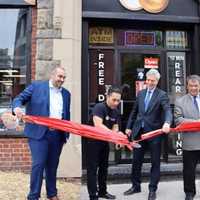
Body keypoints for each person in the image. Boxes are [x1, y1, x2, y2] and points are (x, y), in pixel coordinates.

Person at [12, 67, 71, 200]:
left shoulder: (67, 94)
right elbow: (19, 98)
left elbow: (66, 114)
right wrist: (17, 108)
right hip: (39, 133)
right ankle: (33, 196)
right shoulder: (36, 87)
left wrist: (66, 134)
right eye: (60, 76)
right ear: (52, 75)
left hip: (58, 135)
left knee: (52, 165)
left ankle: (51, 194)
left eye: (64, 77)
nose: (62, 80)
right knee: (38, 164)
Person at [123, 69, 172, 200]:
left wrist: (167, 122)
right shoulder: (141, 93)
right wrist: (128, 127)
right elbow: (134, 112)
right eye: (148, 80)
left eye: (153, 80)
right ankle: (135, 186)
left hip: (154, 134)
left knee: (155, 163)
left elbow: (167, 110)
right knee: (136, 161)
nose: (150, 82)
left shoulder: (162, 95)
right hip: (139, 133)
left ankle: (152, 189)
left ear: (157, 81)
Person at [86, 86, 121, 200]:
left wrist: (117, 139)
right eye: (114, 100)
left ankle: (102, 191)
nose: (116, 103)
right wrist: (112, 134)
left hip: (104, 142)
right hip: (93, 142)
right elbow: (98, 125)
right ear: (108, 97)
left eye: (118, 100)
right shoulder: (99, 107)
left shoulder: (115, 111)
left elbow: (115, 126)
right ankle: (93, 195)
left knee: (104, 168)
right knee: (92, 169)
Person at [174, 75, 200, 200]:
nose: (194, 88)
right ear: (187, 86)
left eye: (196, 85)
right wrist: (197, 122)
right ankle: (189, 193)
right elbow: (178, 121)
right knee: (189, 171)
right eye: (191, 85)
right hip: (190, 142)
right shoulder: (180, 101)